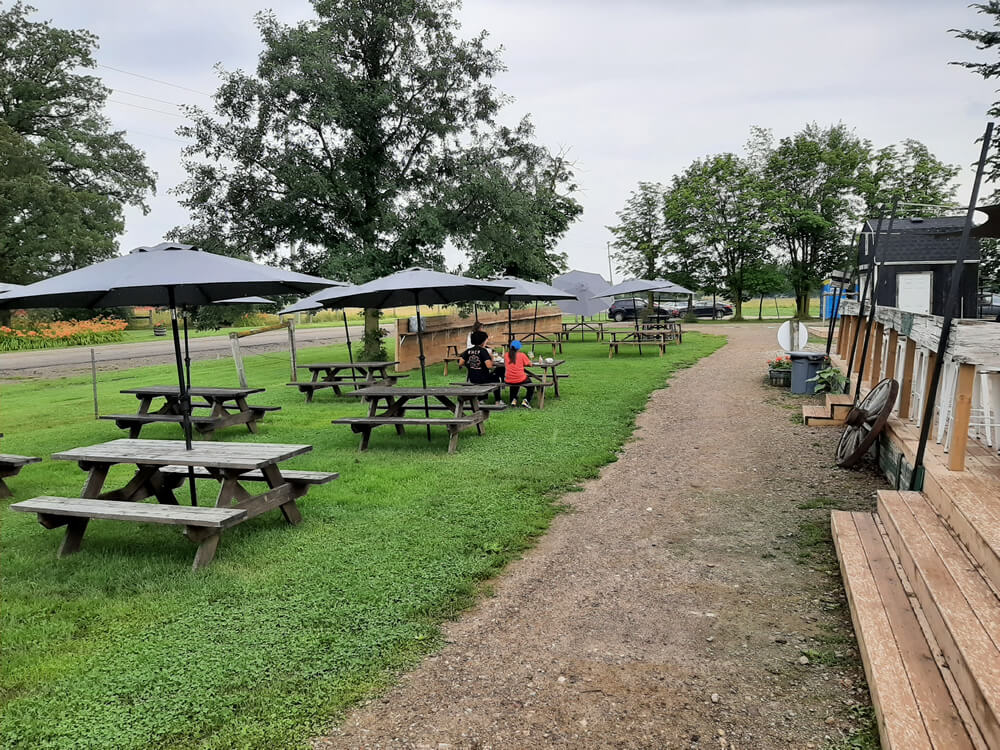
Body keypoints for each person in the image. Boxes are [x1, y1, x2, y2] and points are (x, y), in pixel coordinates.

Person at [504, 340, 535, 408]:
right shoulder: (522, 355)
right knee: (531, 386)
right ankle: (526, 400)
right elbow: (530, 364)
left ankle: (513, 399)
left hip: (508, 379)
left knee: (514, 384)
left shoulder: (506, 355)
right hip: (520, 378)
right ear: (519, 348)